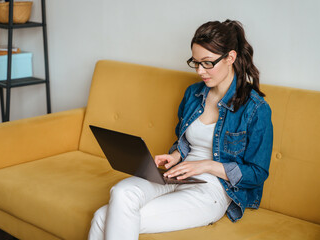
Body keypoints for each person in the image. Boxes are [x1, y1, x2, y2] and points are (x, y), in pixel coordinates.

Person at [88, 19, 273, 240]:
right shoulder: (193, 94)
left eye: (207, 63)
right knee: (120, 191)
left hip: (213, 189)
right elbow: (184, 141)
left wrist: (205, 165)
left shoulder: (255, 108)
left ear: (230, 58)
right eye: (195, 62)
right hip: (179, 174)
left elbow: (257, 173)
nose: (199, 71)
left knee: (102, 217)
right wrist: (176, 155)